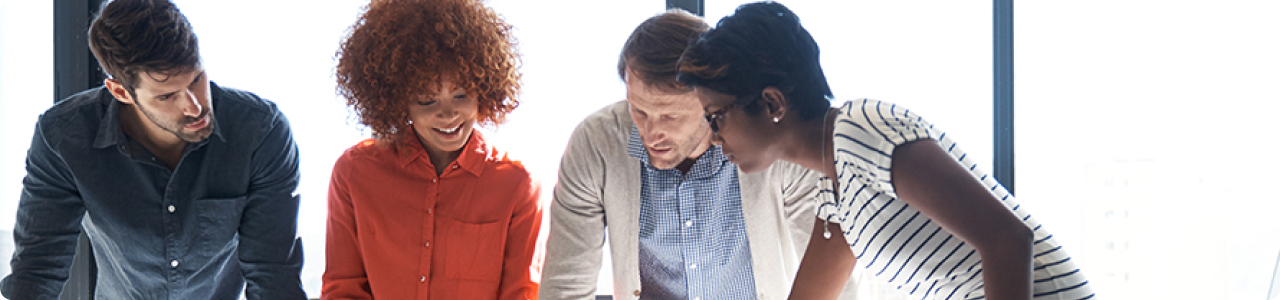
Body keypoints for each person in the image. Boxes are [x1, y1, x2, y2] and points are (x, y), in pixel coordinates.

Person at [676, 2, 1095, 300]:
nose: (713, 138)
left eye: (716, 118)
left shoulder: (864, 134)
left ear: (772, 103)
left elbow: (1007, 239)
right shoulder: (833, 185)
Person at [541, 9, 868, 300]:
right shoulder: (595, 144)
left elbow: (838, 277)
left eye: (671, 117)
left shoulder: (773, 144)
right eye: (638, 111)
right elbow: (565, 285)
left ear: (709, 100)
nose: (650, 133)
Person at [0, 0, 306, 299]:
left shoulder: (261, 132)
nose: (195, 106)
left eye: (197, 79)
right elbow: (37, 269)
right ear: (120, 91)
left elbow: (273, 272)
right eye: (167, 96)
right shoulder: (64, 137)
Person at [321, 0, 541, 299]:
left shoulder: (516, 184)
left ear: (484, 90)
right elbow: (343, 288)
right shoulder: (355, 172)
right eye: (427, 100)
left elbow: (523, 293)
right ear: (398, 101)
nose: (448, 114)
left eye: (461, 96)